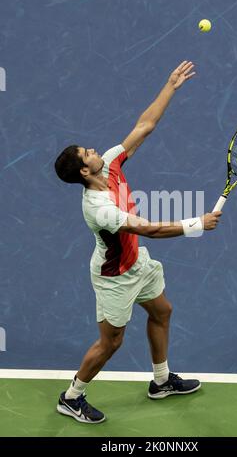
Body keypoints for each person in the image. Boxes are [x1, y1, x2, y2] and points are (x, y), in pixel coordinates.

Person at [54, 60, 222, 424]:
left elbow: (144, 125)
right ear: (85, 171)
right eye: (88, 153)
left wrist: (170, 86)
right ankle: (72, 396)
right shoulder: (98, 208)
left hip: (137, 264)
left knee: (162, 311)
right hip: (115, 276)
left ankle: (161, 382)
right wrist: (197, 223)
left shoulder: (111, 164)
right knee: (111, 343)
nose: (95, 149)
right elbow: (150, 230)